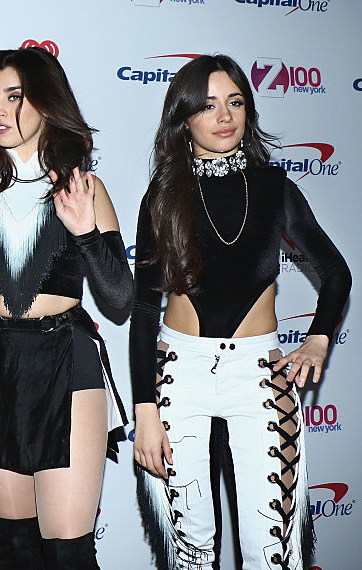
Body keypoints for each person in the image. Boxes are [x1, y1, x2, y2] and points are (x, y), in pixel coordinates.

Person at [130, 54, 351, 570]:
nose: (225, 116)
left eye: (235, 102)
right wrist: (144, 411)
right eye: (208, 106)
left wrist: (318, 337)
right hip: (178, 377)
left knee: (271, 552)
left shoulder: (275, 188)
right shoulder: (162, 196)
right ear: (184, 118)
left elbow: (335, 272)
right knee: (192, 553)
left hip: (259, 375)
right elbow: (144, 308)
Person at [0, 47, 131, 569]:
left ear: (47, 104)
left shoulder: (82, 187)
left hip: (65, 363)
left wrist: (86, 235)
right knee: (16, 549)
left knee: (69, 552)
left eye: (15, 96)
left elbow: (121, 298)